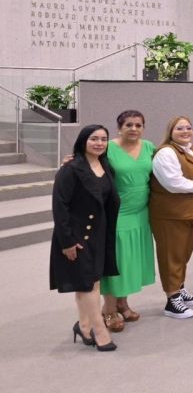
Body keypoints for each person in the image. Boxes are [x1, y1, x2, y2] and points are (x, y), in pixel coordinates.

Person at [50, 125, 120, 352]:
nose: (99, 143)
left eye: (103, 139)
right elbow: (59, 207)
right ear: (83, 141)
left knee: (90, 283)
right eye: (94, 139)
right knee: (89, 284)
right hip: (77, 235)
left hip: (99, 234)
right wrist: (67, 241)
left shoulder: (105, 165)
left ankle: (84, 326)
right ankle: (99, 331)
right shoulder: (71, 169)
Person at [100, 111, 156, 333]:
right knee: (117, 261)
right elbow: (87, 161)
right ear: (119, 127)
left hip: (141, 211)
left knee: (131, 260)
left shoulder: (150, 147)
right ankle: (109, 309)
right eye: (129, 125)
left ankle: (123, 303)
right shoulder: (108, 147)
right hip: (117, 212)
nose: (134, 129)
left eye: (138, 125)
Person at [150, 116, 193, 318]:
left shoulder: (190, 150)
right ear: (170, 131)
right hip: (170, 214)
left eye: (188, 128)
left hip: (190, 212)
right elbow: (172, 182)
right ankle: (171, 299)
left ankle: (179, 288)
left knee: (182, 255)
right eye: (179, 128)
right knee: (171, 256)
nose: (185, 131)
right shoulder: (166, 152)